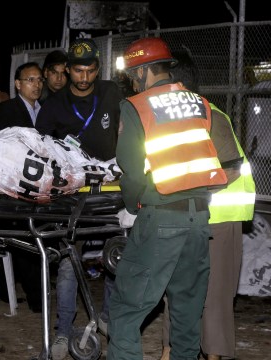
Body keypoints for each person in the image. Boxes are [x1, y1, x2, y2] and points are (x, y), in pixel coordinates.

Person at [108, 37, 230, 360]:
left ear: (147, 71)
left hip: (161, 217)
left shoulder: (136, 107)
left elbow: (131, 171)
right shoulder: (200, 103)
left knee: (124, 311)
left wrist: (133, 202)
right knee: (187, 317)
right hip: (199, 221)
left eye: (134, 76)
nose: (133, 83)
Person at [159, 52, 256, 360]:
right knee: (177, 290)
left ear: (178, 87)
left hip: (220, 218)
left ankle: (210, 355)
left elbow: (230, 170)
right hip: (188, 215)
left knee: (213, 295)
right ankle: (169, 351)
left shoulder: (210, 116)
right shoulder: (174, 119)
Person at [35, 38, 122, 360]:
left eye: (90, 71)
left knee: (116, 257)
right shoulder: (53, 106)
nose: (83, 78)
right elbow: (41, 151)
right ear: (68, 70)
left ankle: (108, 318)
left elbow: (126, 128)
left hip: (111, 192)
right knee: (70, 264)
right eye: (78, 71)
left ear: (98, 69)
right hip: (73, 196)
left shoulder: (111, 92)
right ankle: (62, 332)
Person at [0, 61, 44, 312]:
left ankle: (0, 289)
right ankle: (37, 299)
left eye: (39, 79)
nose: (37, 84)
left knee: (24, 238)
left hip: (37, 185)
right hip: (11, 186)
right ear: (18, 84)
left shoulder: (45, 111)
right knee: (22, 238)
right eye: (31, 80)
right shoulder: (4, 110)